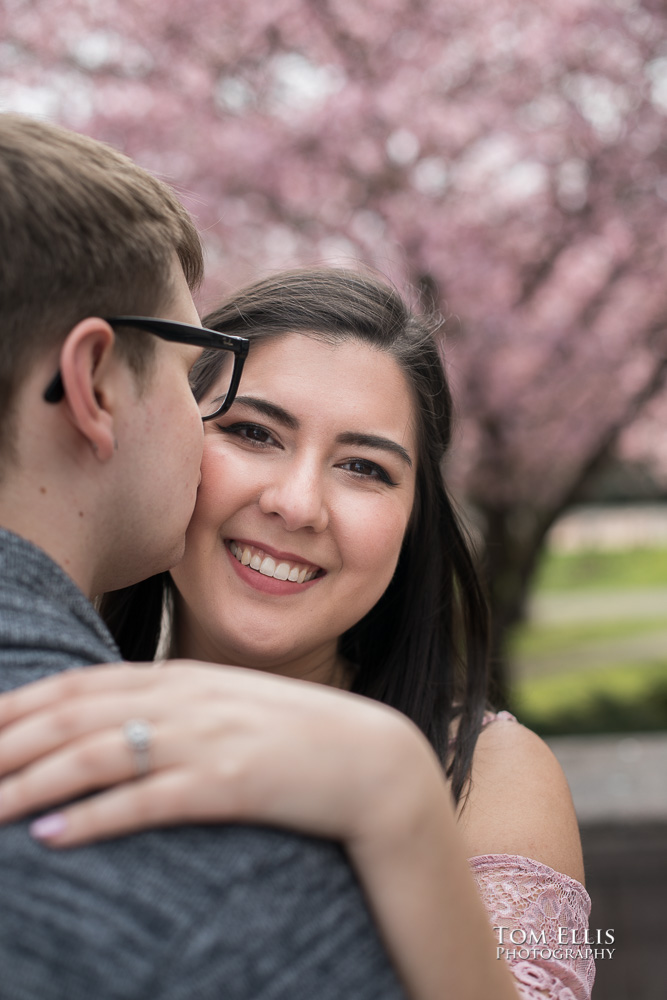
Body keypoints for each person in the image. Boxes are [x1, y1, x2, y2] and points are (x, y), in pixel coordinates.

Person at [0, 268, 595, 1000]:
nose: (296, 503)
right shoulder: (54, 714)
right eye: (252, 432)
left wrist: (398, 798)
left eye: (363, 467)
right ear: (167, 439)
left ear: (413, 523)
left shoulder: (486, 772)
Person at [0, 117, 408, 1000]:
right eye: (228, 411)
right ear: (96, 384)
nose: (295, 505)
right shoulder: (235, 880)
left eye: (366, 467)